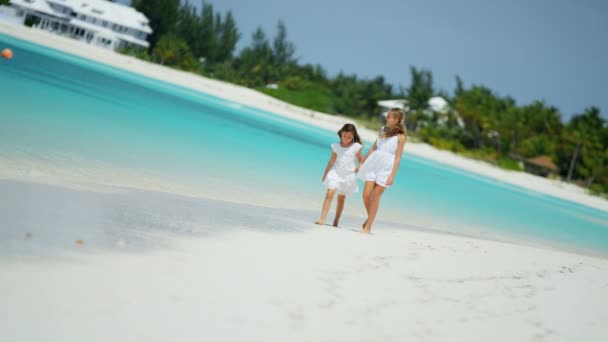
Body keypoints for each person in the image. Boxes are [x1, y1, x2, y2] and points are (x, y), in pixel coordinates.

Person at [357, 108, 407, 233]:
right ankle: (370, 219)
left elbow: (398, 158)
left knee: (375, 198)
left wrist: (392, 176)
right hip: (373, 165)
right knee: (366, 195)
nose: (386, 118)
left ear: (396, 120)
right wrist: (362, 162)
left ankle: (368, 226)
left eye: (389, 116)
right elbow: (373, 148)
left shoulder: (401, 137)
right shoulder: (383, 130)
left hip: (386, 169)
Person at [315, 123, 363, 227]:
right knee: (329, 193)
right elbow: (331, 161)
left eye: (349, 137)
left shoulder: (356, 147)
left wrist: (359, 167)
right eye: (344, 136)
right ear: (341, 133)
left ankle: (336, 221)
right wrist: (325, 174)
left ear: (353, 136)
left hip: (348, 176)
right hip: (335, 173)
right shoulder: (335, 146)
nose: (346, 138)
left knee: (341, 199)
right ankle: (322, 219)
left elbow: (361, 160)